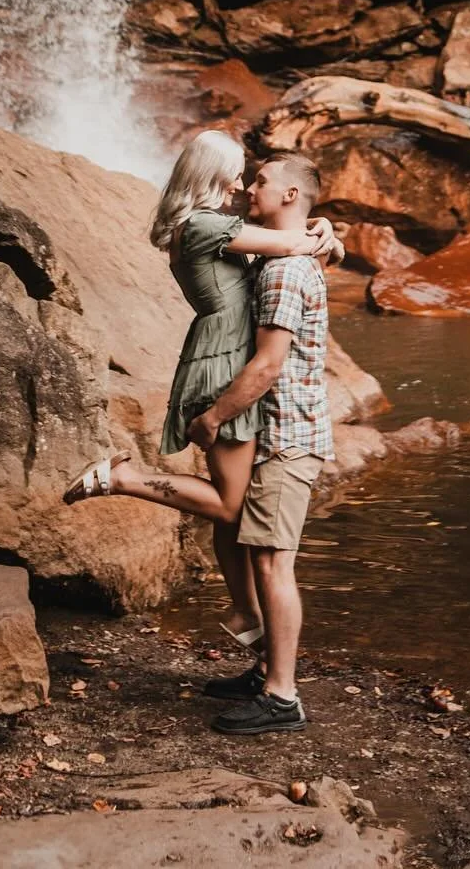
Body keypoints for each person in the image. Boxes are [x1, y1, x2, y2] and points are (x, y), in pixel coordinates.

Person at [62, 130, 339, 651]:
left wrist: (322, 230)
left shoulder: (212, 226)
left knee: (230, 510)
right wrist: (321, 232)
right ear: (210, 175)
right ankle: (122, 478)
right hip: (221, 366)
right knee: (232, 506)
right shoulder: (203, 225)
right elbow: (289, 244)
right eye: (235, 175)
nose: (240, 186)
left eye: (249, 179)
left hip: (217, 359)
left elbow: (290, 244)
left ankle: (245, 612)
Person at [197, 152, 333, 736]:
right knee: (260, 555)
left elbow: (268, 365)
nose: (249, 188)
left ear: (290, 196)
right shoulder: (283, 256)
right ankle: (266, 674)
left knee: (275, 563)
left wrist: (213, 417)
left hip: (287, 437)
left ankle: (282, 696)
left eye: (261, 181)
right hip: (276, 435)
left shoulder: (284, 272)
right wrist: (327, 234)